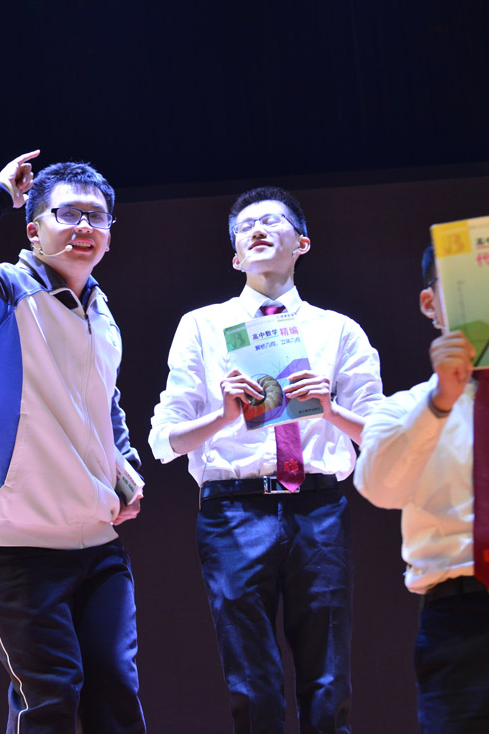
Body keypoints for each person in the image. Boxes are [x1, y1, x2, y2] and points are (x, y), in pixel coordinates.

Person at [0, 151, 146, 733]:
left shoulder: (102, 313)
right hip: (14, 538)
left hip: (97, 538)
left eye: (97, 217)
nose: (84, 226)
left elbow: (104, 402)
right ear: (34, 229)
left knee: (116, 694)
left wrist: (125, 464)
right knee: (50, 696)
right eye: (68, 214)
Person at [148, 186, 382, 733]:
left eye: (272, 221)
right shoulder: (202, 326)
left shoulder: (338, 330)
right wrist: (224, 416)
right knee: (251, 683)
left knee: (329, 678)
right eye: (245, 226)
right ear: (235, 257)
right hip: (233, 511)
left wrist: (330, 410)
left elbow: (383, 435)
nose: (257, 229)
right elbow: (164, 440)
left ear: (302, 243)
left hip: (318, 506)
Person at [355, 246, 489, 733]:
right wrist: (441, 401)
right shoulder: (401, 409)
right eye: (466, 289)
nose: (486, 302)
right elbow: (379, 488)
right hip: (460, 624)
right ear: (431, 304)